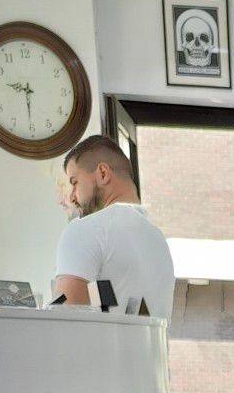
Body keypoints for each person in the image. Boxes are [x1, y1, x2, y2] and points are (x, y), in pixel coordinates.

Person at [53, 135, 175, 320]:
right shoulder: (158, 240)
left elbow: (65, 321)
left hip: (102, 349)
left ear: (103, 173)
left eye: (74, 182)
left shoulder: (85, 230)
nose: (72, 197)